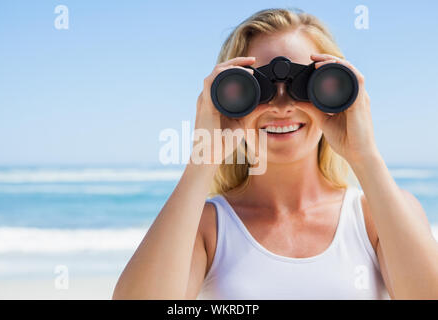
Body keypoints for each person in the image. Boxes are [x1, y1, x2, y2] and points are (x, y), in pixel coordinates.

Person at [113, 8, 438, 299]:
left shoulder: (376, 216)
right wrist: (204, 160)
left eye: (307, 84)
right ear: (227, 98)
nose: (282, 105)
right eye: (257, 88)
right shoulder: (206, 227)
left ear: (338, 91)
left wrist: (365, 158)